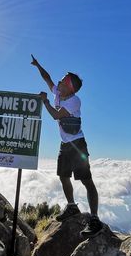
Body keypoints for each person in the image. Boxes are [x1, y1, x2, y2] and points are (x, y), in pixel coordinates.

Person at [31, 54, 103, 238]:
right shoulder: (59, 93)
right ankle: (72, 206)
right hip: (65, 144)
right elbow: (47, 78)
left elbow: (56, 115)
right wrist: (38, 65)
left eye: (63, 80)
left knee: (87, 181)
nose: (59, 81)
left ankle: (94, 219)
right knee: (63, 176)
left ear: (70, 87)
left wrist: (45, 101)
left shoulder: (73, 100)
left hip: (78, 145)